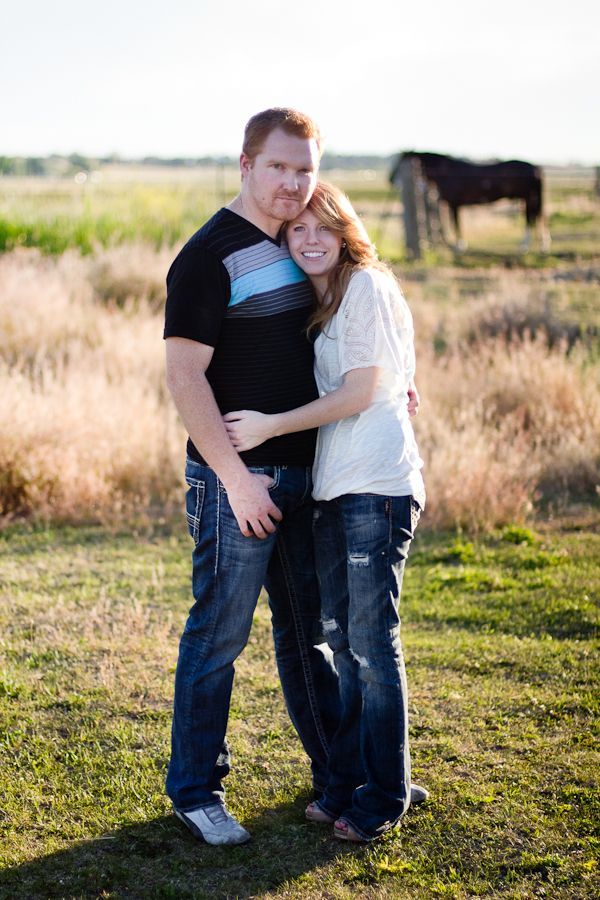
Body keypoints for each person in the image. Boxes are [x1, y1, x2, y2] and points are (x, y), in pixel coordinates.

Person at [224, 181, 427, 842]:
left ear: (345, 234)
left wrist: (269, 425)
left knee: (370, 644)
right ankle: (349, 781)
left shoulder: (364, 285)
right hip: (333, 488)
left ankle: (384, 795)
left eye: (324, 229)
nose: (310, 240)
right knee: (341, 642)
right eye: (298, 230)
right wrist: (407, 378)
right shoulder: (325, 300)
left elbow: (363, 390)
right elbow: (392, 361)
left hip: (375, 485)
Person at [163, 108, 341, 846]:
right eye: (278, 167)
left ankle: (342, 776)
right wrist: (235, 480)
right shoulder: (209, 255)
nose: (293, 183)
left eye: (305, 169)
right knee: (219, 636)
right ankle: (195, 791)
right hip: (236, 479)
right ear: (246, 165)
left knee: (311, 635)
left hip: (306, 473)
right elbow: (184, 377)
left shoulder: (303, 243)